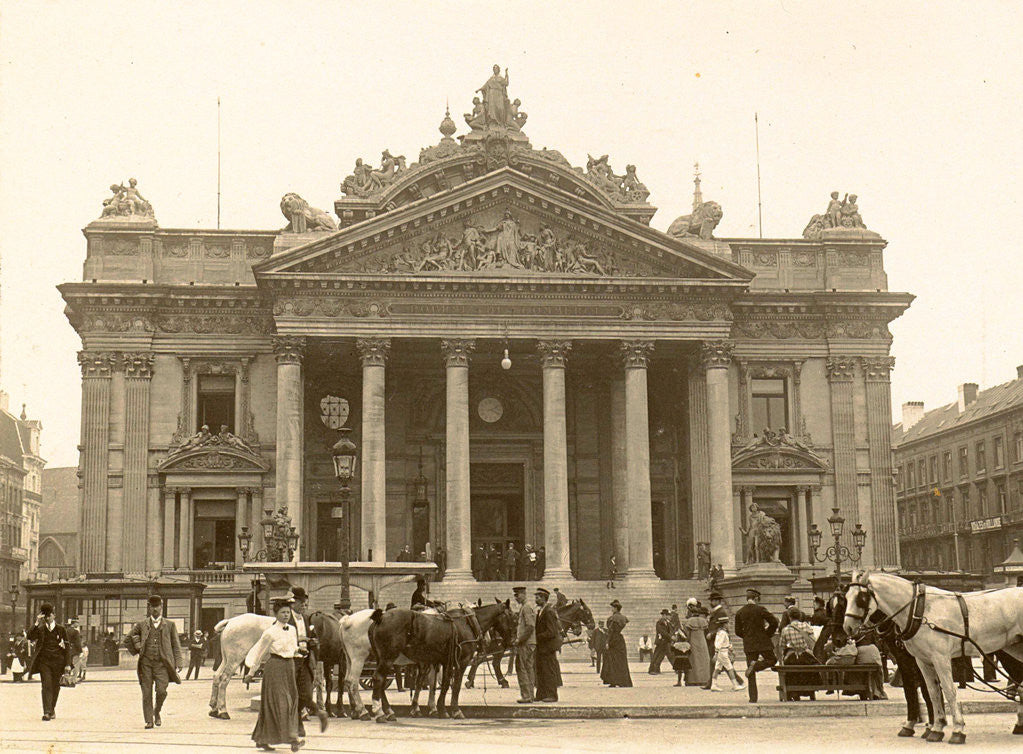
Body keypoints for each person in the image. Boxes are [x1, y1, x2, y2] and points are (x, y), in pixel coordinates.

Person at [245, 598, 306, 752]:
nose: (286, 615)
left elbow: (293, 649)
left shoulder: (292, 629)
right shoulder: (269, 633)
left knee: (291, 701)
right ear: (276, 614)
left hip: (289, 667)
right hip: (275, 668)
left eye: (287, 612)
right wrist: (251, 672)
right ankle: (293, 738)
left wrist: (300, 651)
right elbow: (258, 653)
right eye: (283, 612)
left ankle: (262, 739)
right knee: (281, 702)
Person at [129, 595, 183, 729]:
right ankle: (149, 720)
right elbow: (128, 638)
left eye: (157, 606)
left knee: (161, 691)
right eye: (152, 606)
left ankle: (156, 711)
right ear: (149, 608)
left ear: (161, 607)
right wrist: (137, 647)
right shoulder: (142, 624)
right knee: (146, 692)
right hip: (146, 664)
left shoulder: (169, 625)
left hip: (162, 664)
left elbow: (176, 645)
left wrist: (179, 662)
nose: (155, 609)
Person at [287, 587, 328, 732]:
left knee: (306, 693)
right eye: (300, 603)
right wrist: (300, 640)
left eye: (304, 603)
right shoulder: (286, 617)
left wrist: (313, 642)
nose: (303, 606)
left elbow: (311, 635)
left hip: (304, 660)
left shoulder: (305, 618)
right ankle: (300, 723)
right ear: (293, 603)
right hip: (290, 660)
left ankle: (316, 713)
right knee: (293, 694)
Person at [27, 603, 73, 721]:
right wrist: (36, 622)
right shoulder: (40, 629)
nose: (47, 618)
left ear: (54, 616)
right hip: (44, 662)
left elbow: (67, 647)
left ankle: (51, 709)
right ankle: (47, 712)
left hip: (58, 662)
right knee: (46, 685)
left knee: (55, 686)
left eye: (49, 615)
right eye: (45, 616)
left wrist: (68, 664)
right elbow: (30, 637)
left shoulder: (61, 629)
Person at [734, 587, 778, 704]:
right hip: (763, 642)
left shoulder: (740, 612)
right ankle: (757, 665)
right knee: (772, 659)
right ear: (756, 598)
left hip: (749, 644)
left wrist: (747, 637)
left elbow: (737, 631)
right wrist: (767, 634)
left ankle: (753, 698)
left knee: (751, 673)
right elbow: (774, 622)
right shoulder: (761, 609)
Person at [779, 607, 818, 700]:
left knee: (790, 669)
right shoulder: (806, 626)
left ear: (790, 617)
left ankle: (793, 693)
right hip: (806, 656)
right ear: (800, 616)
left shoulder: (786, 629)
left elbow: (782, 645)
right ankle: (810, 692)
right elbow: (813, 642)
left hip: (792, 656)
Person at [534, 587, 562, 702]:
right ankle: (541, 694)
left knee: (549, 670)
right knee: (540, 670)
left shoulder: (549, 611)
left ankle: (552, 695)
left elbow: (551, 632)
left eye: (538, 597)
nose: (536, 599)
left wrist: (536, 637)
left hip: (547, 647)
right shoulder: (541, 610)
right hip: (541, 647)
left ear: (544, 598)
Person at [707, 614, 745, 692]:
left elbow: (726, 643)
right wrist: (716, 653)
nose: (728, 625)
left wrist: (731, 650)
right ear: (724, 624)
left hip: (722, 651)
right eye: (727, 623)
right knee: (730, 668)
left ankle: (714, 684)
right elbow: (719, 643)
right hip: (722, 652)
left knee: (717, 669)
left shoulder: (721, 632)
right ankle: (735, 685)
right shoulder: (722, 633)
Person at [512, 586, 536, 703]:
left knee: (521, 668)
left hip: (525, 643)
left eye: (517, 595)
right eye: (515, 595)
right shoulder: (526, 607)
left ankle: (526, 696)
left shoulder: (526, 607)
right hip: (529, 643)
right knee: (528, 668)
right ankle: (530, 695)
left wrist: (519, 640)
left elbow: (530, 626)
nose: (516, 598)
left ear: (523, 594)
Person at [601, 600, 632, 687]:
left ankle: (613, 681)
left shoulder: (613, 618)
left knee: (612, 661)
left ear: (616, 608)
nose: (611, 609)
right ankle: (623, 681)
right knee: (621, 661)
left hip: (613, 640)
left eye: (612, 608)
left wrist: (607, 641)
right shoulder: (623, 618)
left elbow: (611, 631)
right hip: (620, 640)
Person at [681, 600, 711, 687]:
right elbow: (706, 632)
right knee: (704, 660)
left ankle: (693, 680)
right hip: (703, 642)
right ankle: (704, 679)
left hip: (693, 642)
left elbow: (687, 635)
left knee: (694, 661)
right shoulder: (703, 621)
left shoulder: (689, 621)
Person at [648, 609, 673, 675]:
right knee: (657, 656)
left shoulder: (667, 622)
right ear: (664, 615)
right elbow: (662, 632)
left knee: (662, 656)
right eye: (668, 615)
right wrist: (670, 637)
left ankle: (655, 669)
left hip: (665, 642)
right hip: (661, 641)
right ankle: (652, 669)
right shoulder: (660, 622)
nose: (669, 616)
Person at [65, 618, 84, 685]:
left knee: (68, 665)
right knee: (76, 665)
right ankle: (73, 680)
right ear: (74, 623)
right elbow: (77, 643)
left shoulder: (66, 631)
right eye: (77, 623)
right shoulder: (76, 631)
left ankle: (66, 680)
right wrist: (81, 651)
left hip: (67, 650)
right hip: (75, 651)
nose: (78, 624)